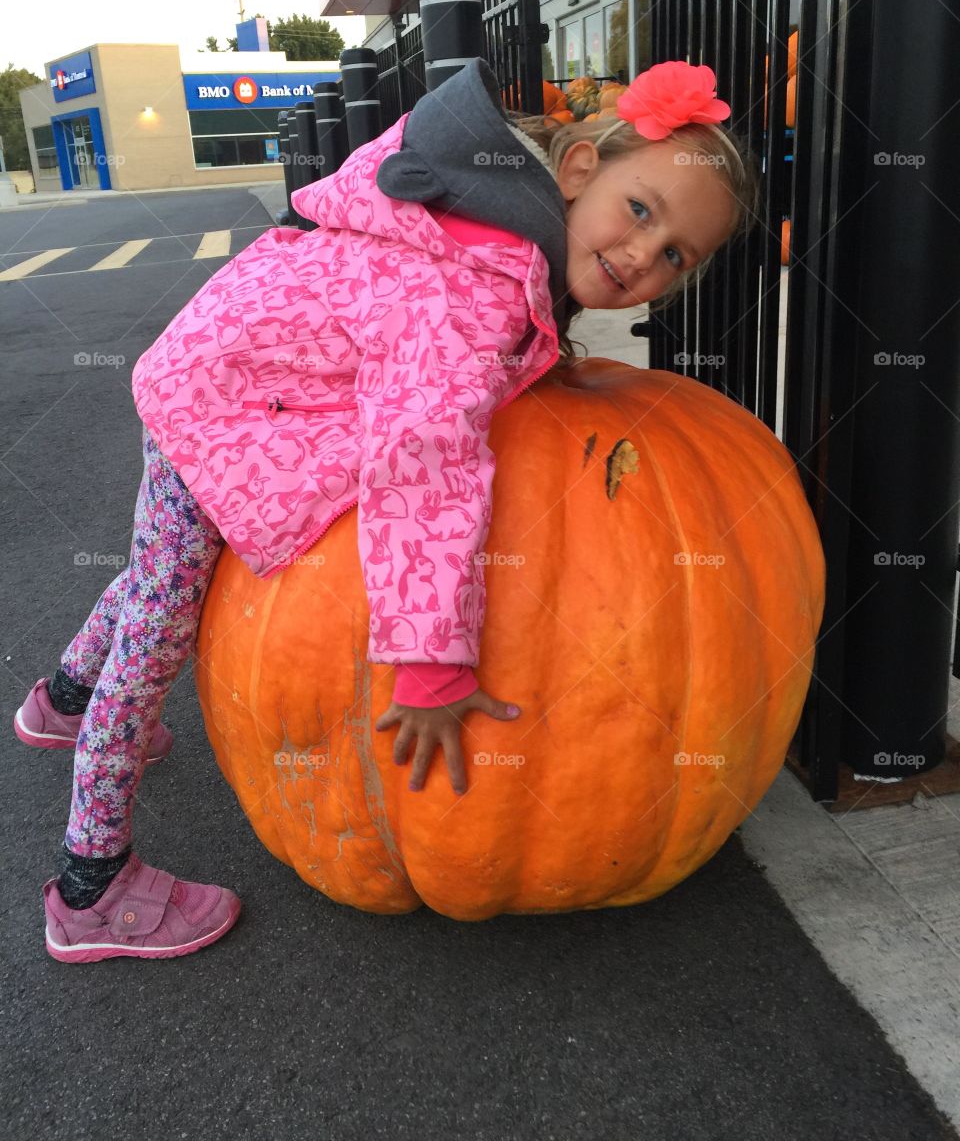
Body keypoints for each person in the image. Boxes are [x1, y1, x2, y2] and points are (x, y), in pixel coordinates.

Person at [13, 57, 760, 963]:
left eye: (677, 254)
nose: (645, 254)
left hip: (219, 369)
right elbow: (423, 471)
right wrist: (429, 666)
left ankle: (63, 699)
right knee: (160, 622)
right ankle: (91, 884)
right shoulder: (472, 294)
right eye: (640, 211)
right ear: (574, 174)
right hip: (223, 407)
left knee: (152, 569)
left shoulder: (474, 199)